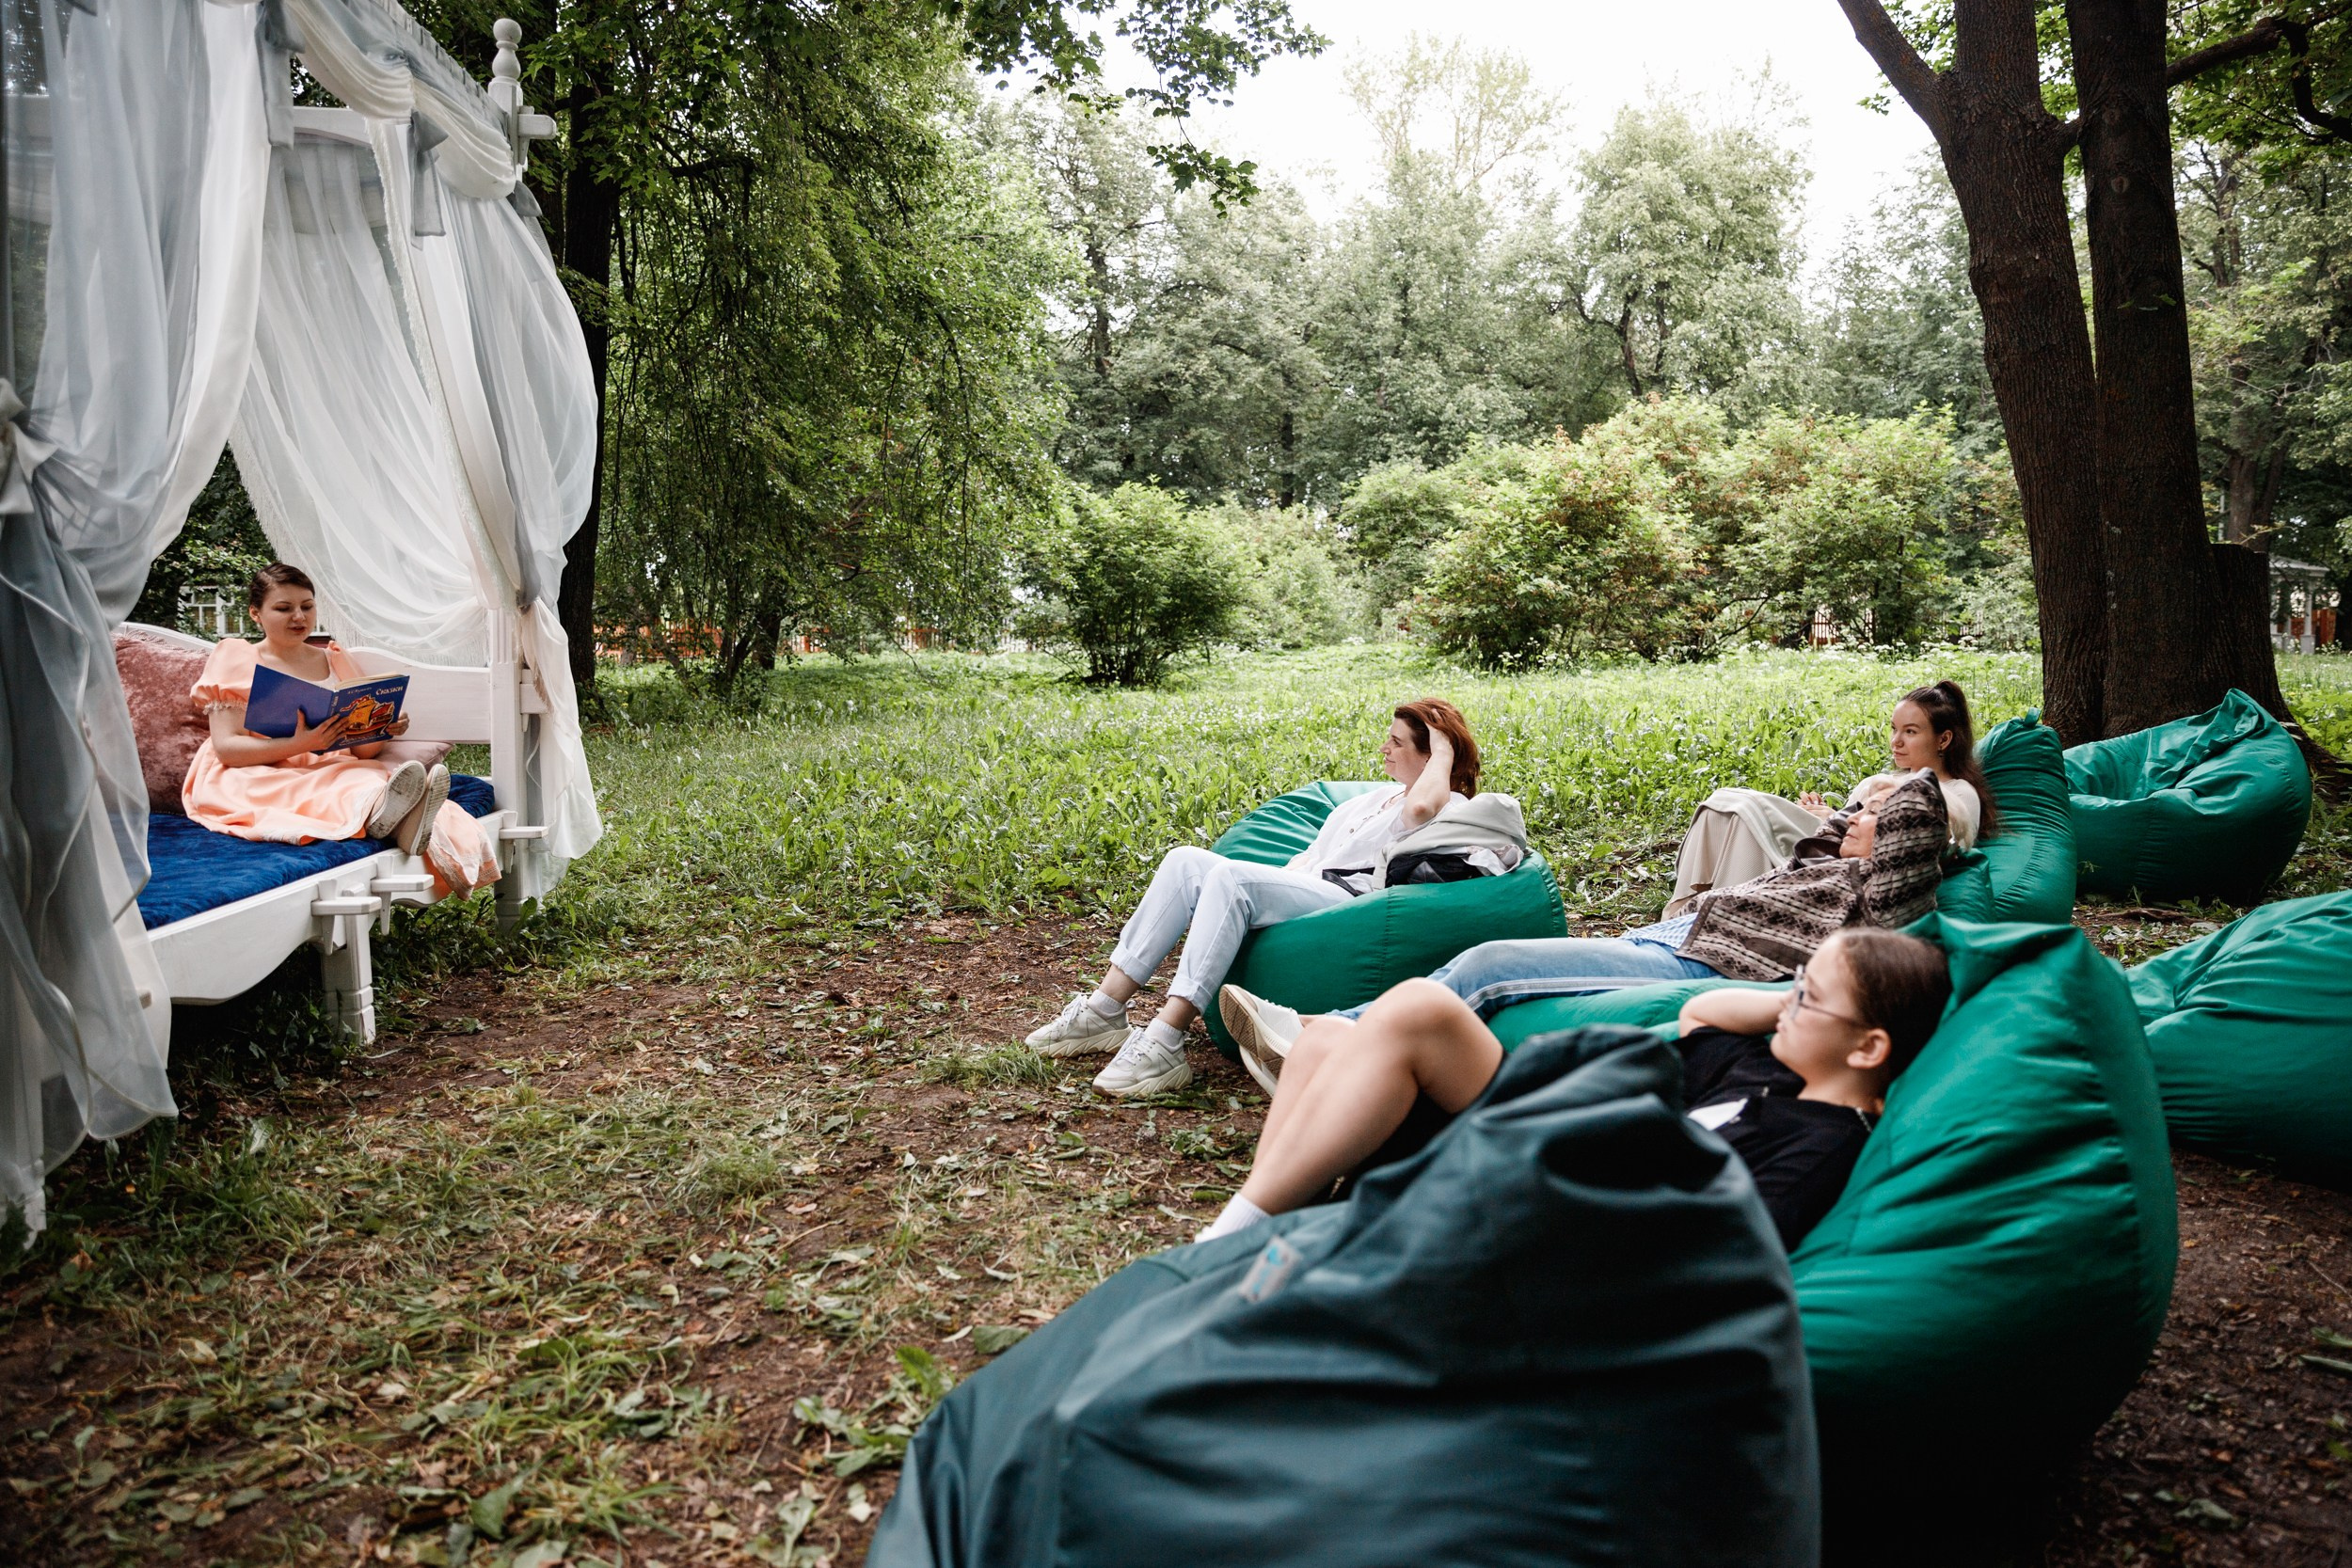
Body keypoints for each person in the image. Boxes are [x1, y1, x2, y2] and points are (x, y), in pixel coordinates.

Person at [1200, 926, 1952, 1252]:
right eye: (1794, 988)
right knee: (1327, 1039)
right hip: (1549, 1128)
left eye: (1809, 1000)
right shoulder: (1766, 1063)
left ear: (1869, 1045)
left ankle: (1235, 1243)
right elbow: (1699, 1010)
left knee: (1421, 1007)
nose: (1788, 1003)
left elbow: (1721, 1237)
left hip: (1564, 1180)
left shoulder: (1818, 1141)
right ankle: (1252, 1234)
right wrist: (1796, 994)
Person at [1220, 768, 1951, 1091]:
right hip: (1680, 939)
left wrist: (1911, 793)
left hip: (1707, 964)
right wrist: (1860, 805)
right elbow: (1825, 835)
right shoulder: (1828, 863)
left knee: (1491, 963)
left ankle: (1322, 1030)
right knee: (1495, 964)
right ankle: (1328, 1034)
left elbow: (1917, 829)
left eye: (1871, 819)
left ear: (1901, 844)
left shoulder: (1879, 899)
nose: (1851, 819)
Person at [1025, 699, 1485, 1100]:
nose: (1384, 748)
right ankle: (1104, 1010)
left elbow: (1421, 810)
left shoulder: (1448, 808)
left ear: (1431, 758)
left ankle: (1166, 1039)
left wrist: (1446, 747)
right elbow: (1313, 856)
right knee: (1186, 860)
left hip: (1349, 902)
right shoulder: (1376, 798)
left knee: (1232, 880)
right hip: (1311, 883)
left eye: (1398, 742)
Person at [182, 563, 500, 895]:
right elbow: (227, 749)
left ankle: (393, 813)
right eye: (284, 608)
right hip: (253, 769)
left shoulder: (334, 659)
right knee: (317, 787)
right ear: (256, 613)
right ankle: (393, 814)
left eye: (307, 606)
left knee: (362, 776)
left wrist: (381, 729)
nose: (299, 617)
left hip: (325, 763)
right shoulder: (236, 657)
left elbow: (363, 752)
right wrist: (302, 742)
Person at [1667, 680, 1997, 914]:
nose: (1896, 741)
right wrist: (1827, 814)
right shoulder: (1882, 781)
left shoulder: (1956, 793)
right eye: (1894, 729)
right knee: (1721, 806)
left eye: (1910, 732)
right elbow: (1846, 826)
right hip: (1823, 845)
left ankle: (1717, 913)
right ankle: (1688, 913)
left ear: (1944, 740)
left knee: (1739, 808)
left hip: (1839, 864)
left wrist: (1832, 821)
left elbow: (1925, 842)